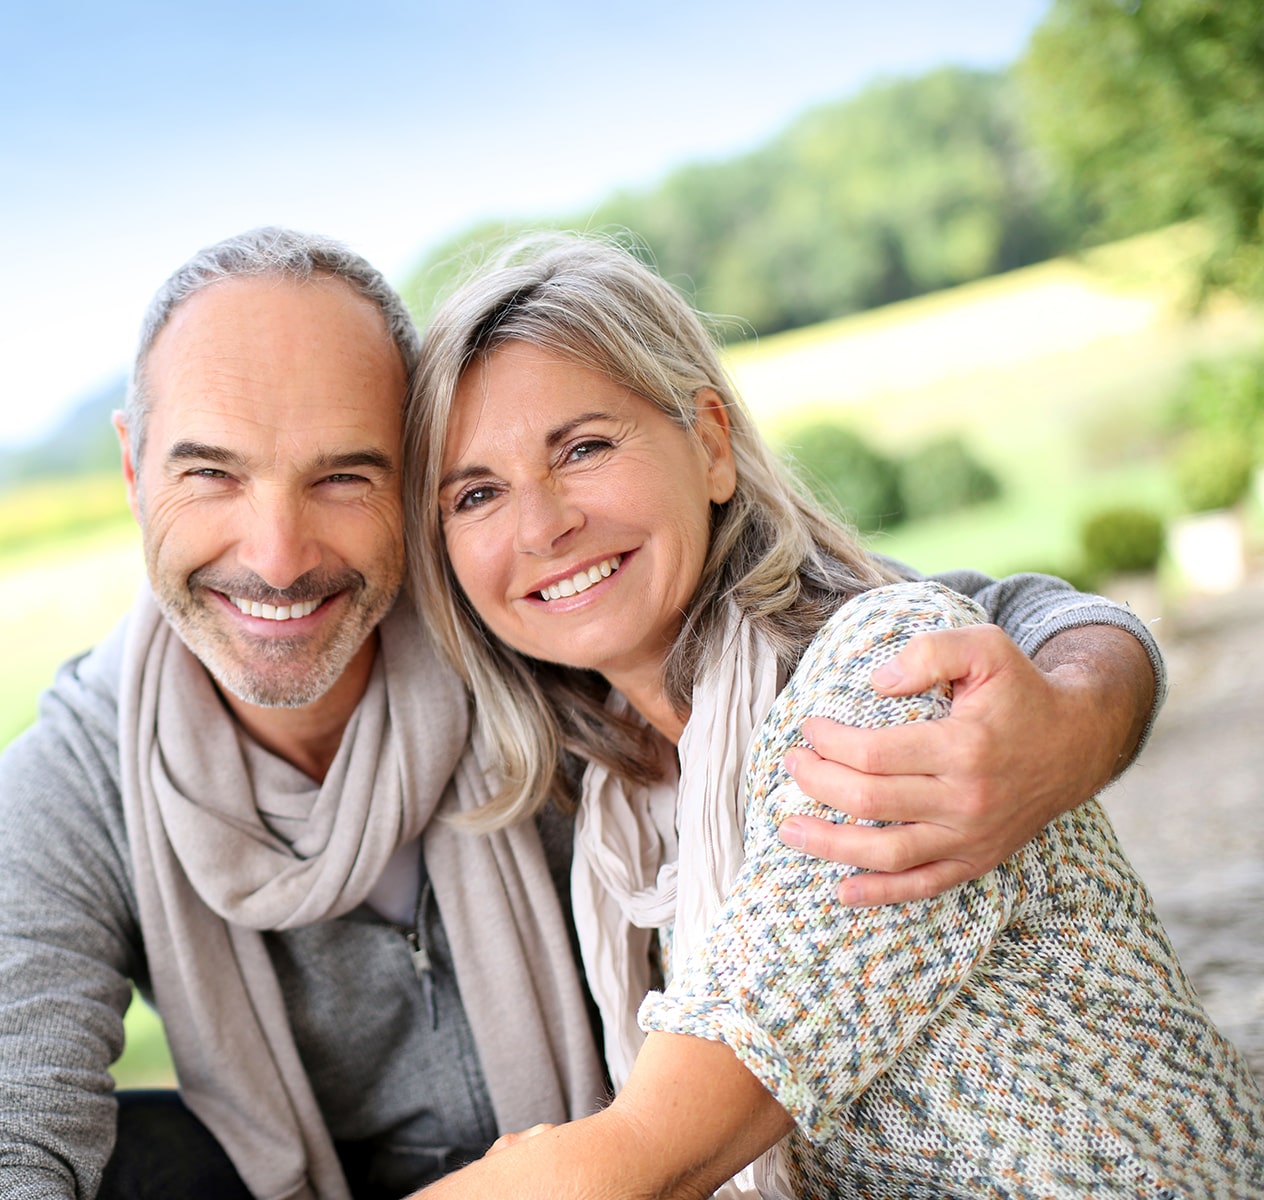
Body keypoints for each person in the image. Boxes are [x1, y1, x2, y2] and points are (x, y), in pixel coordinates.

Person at [0, 227, 1168, 1200]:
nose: (276, 555)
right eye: (211, 473)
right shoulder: (86, 774)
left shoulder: (526, 644)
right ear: (130, 468)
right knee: (135, 1158)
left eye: (344, 477)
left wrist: (1072, 716)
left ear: (408, 488)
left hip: (604, 1166)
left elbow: (974, 621)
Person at [401, 233, 1264, 1198]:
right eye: (476, 494)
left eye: (585, 448)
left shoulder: (879, 686)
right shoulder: (622, 802)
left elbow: (642, 1159)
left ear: (712, 445)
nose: (541, 524)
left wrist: (1091, 694)